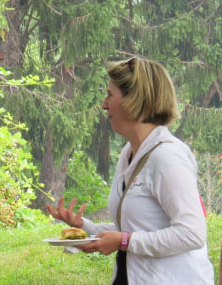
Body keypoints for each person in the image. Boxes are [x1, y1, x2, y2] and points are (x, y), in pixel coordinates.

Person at [47, 57, 214, 284]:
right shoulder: (129, 153)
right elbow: (135, 229)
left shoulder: (168, 158)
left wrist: (124, 241)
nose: (105, 104)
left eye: (110, 95)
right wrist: (84, 228)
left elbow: (192, 234)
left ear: (134, 100)